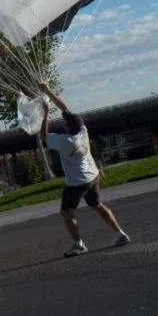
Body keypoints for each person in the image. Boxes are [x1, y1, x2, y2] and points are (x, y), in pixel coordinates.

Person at [38, 83, 130, 257]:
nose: (63, 122)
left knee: (66, 212)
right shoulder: (82, 130)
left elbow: (44, 136)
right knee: (96, 205)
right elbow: (64, 107)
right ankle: (121, 233)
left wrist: (46, 112)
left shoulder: (66, 142)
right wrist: (47, 90)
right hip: (92, 175)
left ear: (67, 127)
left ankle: (78, 244)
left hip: (77, 182)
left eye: (64, 122)